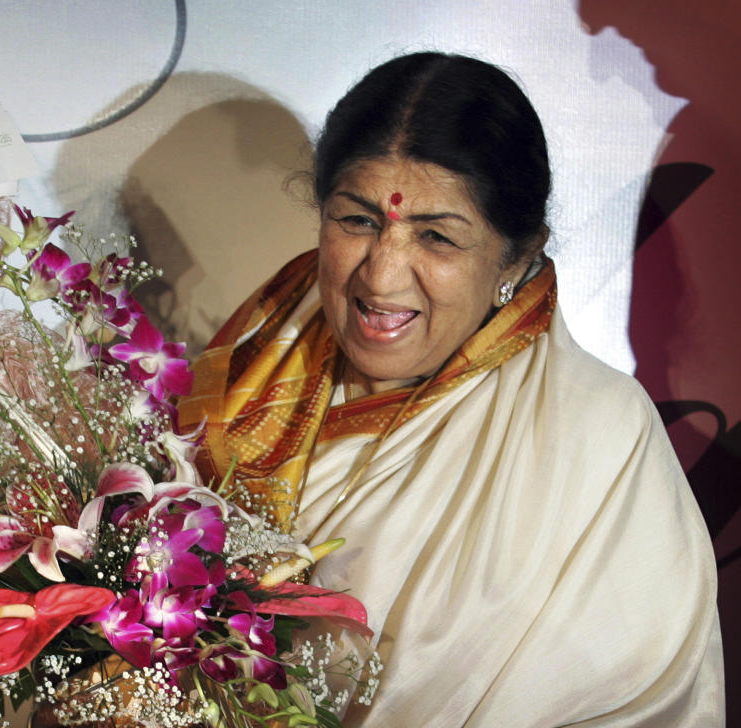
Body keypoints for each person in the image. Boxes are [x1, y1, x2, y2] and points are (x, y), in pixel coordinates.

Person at [177, 53, 724, 726]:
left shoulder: (599, 438)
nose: (382, 277)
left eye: (436, 237)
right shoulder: (246, 372)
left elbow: (638, 702)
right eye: (358, 221)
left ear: (516, 257)